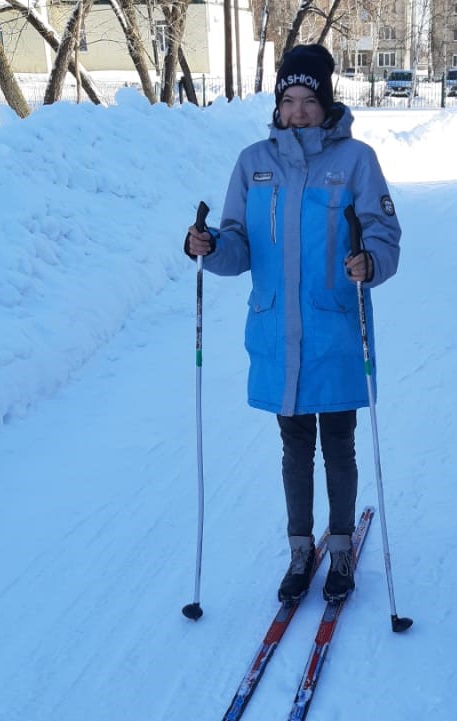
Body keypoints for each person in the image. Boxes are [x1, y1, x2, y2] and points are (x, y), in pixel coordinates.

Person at [184, 44, 401, 603]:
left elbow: (382, 232)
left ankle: (341, 550)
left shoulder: (356, 161)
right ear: (278, 104)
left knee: (339, 443)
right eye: (289, 100)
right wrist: (209, 246)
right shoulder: (253, 162)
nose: (299, 110)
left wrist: (370, 261)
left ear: (327, 103)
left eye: (309, 100)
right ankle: (301, 550)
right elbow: (238, 245)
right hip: (277, 332)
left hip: (334, 328)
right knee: (294, 446)